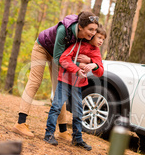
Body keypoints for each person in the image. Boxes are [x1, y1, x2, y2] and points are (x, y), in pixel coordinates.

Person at [12, 11, 99, 139]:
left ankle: (63, 131)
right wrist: (77, 66)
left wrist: (89, 61)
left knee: (60, 89)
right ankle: (20, 123)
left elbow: (91, 57)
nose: (93, 33)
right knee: (35, 81)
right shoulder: (64, 30)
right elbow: (58, 58)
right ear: (80, 26)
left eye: (95, 30)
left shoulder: (85, 38)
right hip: (43, 48)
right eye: (90, 29)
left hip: (59, 56)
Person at [43, 25, 105, 150]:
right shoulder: (78, 44)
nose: (101, 41)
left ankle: (77, 139)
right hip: (65, 80)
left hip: (78, 84)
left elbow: (100, 71)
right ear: (92, 36)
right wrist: (77, 68)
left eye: (103, 39)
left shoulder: (96, 52)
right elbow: (63, 59)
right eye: (99, 37)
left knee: (78, 111)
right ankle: (49, 134)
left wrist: (93, 64)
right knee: (57, 106)